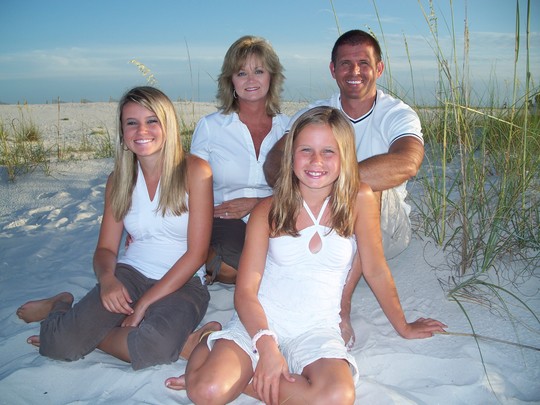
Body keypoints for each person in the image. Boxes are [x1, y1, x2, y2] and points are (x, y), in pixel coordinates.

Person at [164, 107, 446, 405]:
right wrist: (267, 347)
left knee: (337, 396)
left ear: (345, 156)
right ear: (291, 155)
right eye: (306, 150)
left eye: (328, 151)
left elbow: (375, 269)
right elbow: (245, 292)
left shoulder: (359, 199)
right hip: (260, 322)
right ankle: (206, 345)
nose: (316, 161)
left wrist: (404, 326)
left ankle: (238, 377)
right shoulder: (268, 210)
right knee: (207, 393)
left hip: (317, 328)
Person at [16, 86, 220, 370]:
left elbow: (197, 254)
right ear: (122, 132)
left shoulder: (196, 171)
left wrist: (143, 304)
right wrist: (108, 280)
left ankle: (88, 331)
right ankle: (60, 305)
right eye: (131, 123)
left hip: (183, 281)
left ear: (168, 126)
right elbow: (105, 249)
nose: (141, 130)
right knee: (58, 346)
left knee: (156, 346)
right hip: (130, 275)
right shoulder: (118, 180)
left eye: (152, 121)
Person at [264, 29, 425, 348]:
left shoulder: (396, 113)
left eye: (364, 63)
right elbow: (273, 163)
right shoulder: (318, 113)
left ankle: (342, 305)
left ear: (379, 68)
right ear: (333, 69)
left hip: (386, 229)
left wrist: (332, 183)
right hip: (324, 221)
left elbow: (407, 163)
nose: (355, 71)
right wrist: (317, 185)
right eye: (346, 63)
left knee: (366, 189)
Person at [190, 35, 289, 284]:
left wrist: (258, 204)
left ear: (272, 77)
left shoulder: (289, 128)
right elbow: (190, 186)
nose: (251, 80)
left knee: (285, 260)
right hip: (224, 219)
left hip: (273, 215)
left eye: (259, 71)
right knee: (231, 267)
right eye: (242, 73)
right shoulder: (211, 126)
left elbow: (302, 187)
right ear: (230, 80)